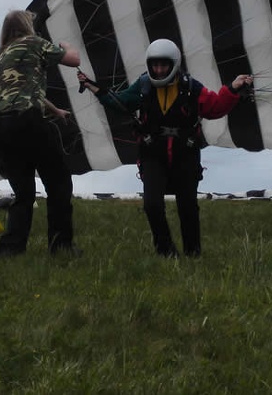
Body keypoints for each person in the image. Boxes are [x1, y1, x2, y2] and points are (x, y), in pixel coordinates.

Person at [78, 38, 253, 258]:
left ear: (174, 64)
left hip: (185, 154)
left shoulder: (190, 87)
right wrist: (94, 87)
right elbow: (121, 103)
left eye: (163, 65)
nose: (159, 70)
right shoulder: (143, 86)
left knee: (187, 206)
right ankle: (166, 251)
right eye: (155, 65)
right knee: (152, 204)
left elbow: (214, 108)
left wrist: (233, 88)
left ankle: (193, 254)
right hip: (153, 154)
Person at [0, 9, 81, 258]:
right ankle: (60, 246)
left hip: (1, 126)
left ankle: (10, 250)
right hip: (27, 122)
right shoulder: (34, 43)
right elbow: (74, 60)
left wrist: (56, 111)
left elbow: (25, 90)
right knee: (59, 184)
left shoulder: (4, 54)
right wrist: (65, 45)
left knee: (24, 193)